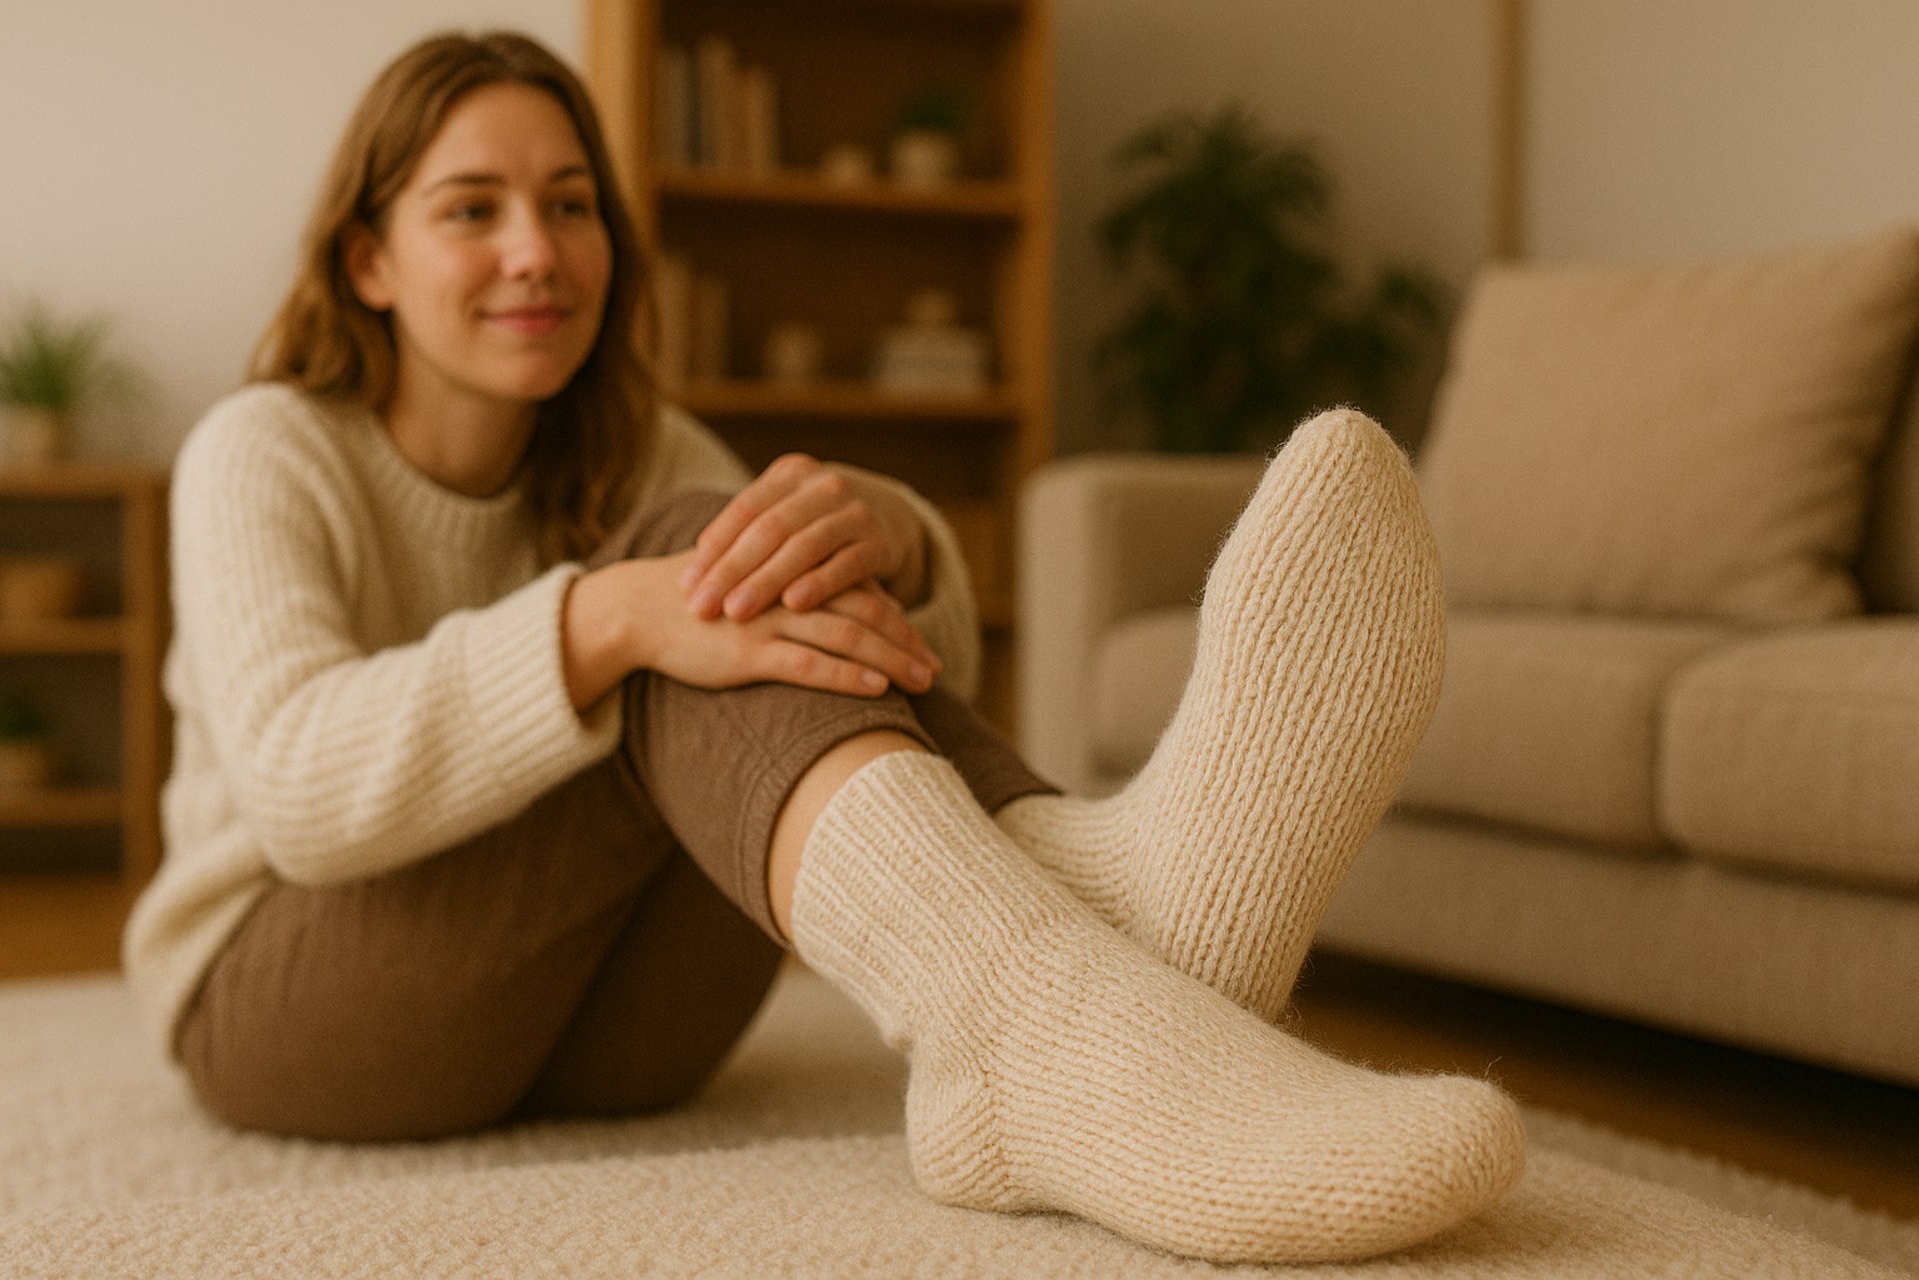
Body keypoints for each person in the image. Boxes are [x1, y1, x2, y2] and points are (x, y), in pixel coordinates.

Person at [123, 30, 1525, 1266]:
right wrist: (606, 620)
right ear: (368, 258)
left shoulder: (635, 446)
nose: (536, 251)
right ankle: (1046, 998)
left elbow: (864, 684)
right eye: (470, 210)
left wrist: (895, 538)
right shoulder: (267, 449)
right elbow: (299, 790)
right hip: (298, 1015)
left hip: (608, 1037)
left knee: (736, 558)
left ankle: (1114, 913)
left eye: (569, 205)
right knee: (695, 570)